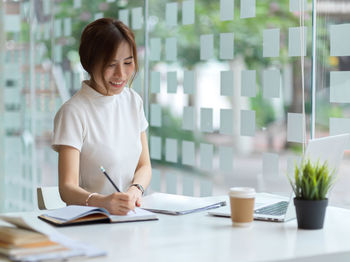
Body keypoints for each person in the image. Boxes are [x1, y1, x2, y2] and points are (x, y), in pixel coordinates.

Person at [51, 18, 151, 215]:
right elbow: (67, 189)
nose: (121, 74)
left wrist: (135, 189)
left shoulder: (133, 101)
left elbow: (144, 165)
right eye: (111, 64)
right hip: (90, 221)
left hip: (132, 217)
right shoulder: (73, 112)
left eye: (128, 62)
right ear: (89, 63)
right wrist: (104, 202)